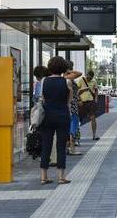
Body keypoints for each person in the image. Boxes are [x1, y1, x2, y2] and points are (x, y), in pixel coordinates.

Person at [39, 56, 72, 185]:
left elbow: (43, 98)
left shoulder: (44, 81)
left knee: (46, 145)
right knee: (61, 146)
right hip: (62, 116)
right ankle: (61, 176)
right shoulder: (67, 82)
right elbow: (68, 102)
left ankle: (43, 176)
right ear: (63, 68)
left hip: (47, 116)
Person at [64, 61, 82, 155]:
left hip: (68, 105)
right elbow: (80, 73)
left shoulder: (64, 78)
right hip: (72, 105)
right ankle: (72, 149)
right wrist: (69, 71)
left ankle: (68, 148)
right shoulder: (68, 78)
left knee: (69, 127)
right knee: (73, 127)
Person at [77, 70, 99, 141]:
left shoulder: (94, 81)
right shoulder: (81, 80)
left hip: (91, 102)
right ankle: (76, 138)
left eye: (90, 78)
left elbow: (96, 91)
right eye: (87, 77)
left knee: (93, 118)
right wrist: (79, 100)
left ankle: (94, 135)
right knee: (78, 120)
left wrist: (95, 99)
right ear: (86, 75)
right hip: (82, 102)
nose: (88, 79)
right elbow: (76, 91)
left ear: (92, 77)